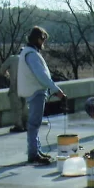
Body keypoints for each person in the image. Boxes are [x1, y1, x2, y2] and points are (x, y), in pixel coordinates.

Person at [17, 26, 67, 165]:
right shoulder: (32, 54)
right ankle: (33, 154)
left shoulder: (28, 52)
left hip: (34, 91)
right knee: (34, 124)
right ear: (38, 39)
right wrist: (56, 89)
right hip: (36, 92)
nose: (43, 42)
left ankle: (36, 151)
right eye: (42, 39)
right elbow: (42, 76)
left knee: (35, 123)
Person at [0, 48, 28, 133]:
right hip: (26, 86)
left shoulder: (13, 58)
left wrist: (7, 75)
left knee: (16, 107)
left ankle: (19, 126)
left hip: (15, 85)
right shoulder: (28, 60)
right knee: (25, 106)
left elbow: (2, 69)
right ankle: (26, 124)